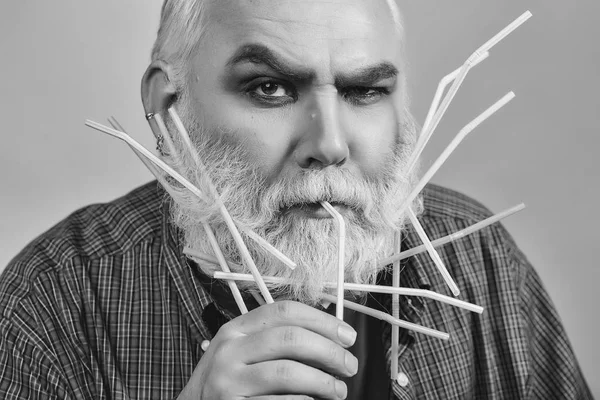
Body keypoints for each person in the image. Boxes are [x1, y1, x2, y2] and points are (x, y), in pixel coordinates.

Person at [0, 0, 593, 398]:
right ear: (166, 106)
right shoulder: (55, 300)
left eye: (365, 90)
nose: (330, 145)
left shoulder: (479, 260)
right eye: (270, 87)